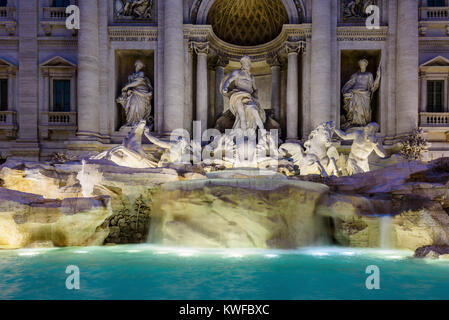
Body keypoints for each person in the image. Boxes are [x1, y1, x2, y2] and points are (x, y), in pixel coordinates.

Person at [220, 56, 266, 132]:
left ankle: (262, 131)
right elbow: (228, 81)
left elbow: (255, 88)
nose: (247, 64)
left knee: (254, 110)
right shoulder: (237, 72)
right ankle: (242, 135)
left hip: (248, 96)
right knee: (241, 115)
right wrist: (225, 88)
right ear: (242, 64)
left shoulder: (251, 77)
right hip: (237, 95)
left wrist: (255, 96)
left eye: (248, 63)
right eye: (245, 63)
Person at [342, 58, 380, 127]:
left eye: (364, 64)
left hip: (365, 94)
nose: (362, 66)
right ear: (359, 65)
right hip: (355, 93)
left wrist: (378, 77)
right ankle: (355, 123)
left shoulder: (369, 74)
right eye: (361, 64)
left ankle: (363, 123)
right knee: (356, 108)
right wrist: (347, 90)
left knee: (364, 110)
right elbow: (350, 84)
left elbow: (372, 87)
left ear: (366, 65)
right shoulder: (355, 75)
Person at [116, 60, 153, 127]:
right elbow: (130, 83)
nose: (140, 66)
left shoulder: (141, 73)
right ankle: (131, 122)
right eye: (139, 65)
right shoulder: (132, 75)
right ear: (136, 64)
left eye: (141, 65)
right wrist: (128, 89)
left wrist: (127, 86)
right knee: (132, 106)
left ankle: (139, 123)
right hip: (133, 93)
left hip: (142, 92)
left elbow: (138, 82)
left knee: (140, 108)